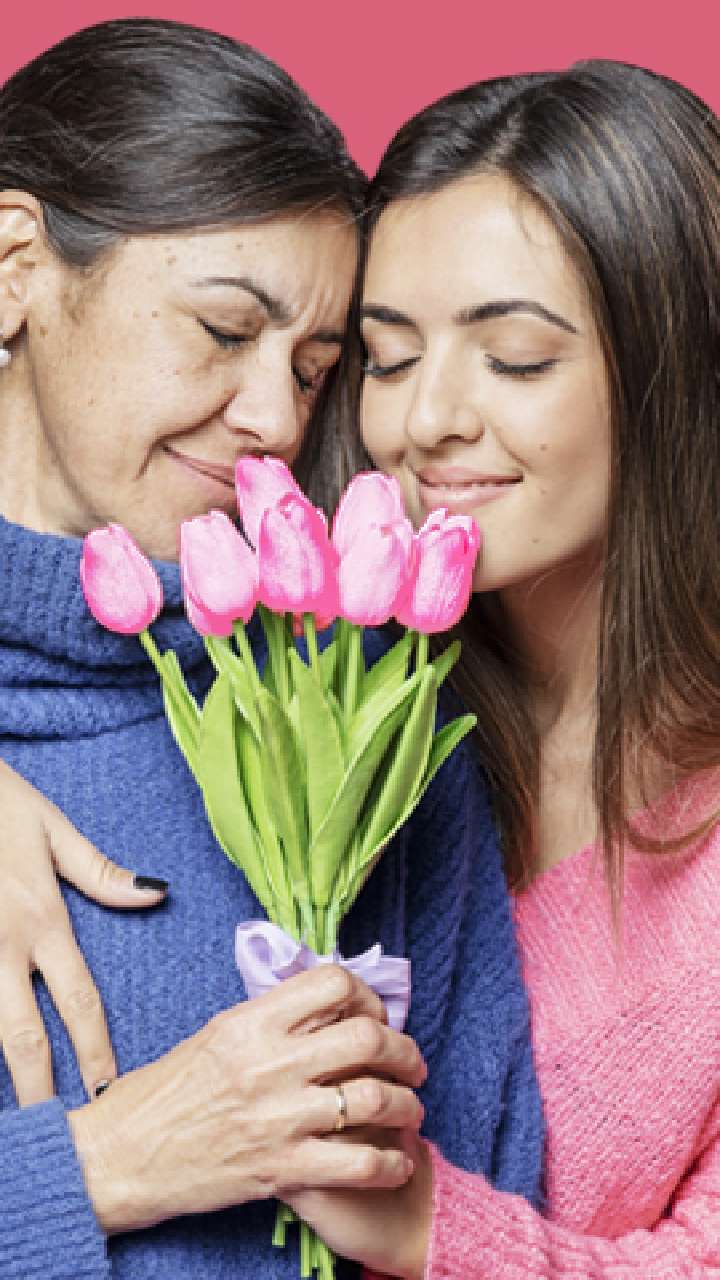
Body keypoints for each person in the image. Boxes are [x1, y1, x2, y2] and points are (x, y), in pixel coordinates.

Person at [0, 18, 543, 1280]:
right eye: (222, 327)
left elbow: (487, 1207)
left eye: (314, 367)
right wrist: (106, 1164)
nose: (274, 420)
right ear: (16, 265)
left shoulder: (363, 718)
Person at [275, 61, 720, 1278]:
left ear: (680, 370)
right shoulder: (322, 692)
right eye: (387, 357)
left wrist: (433, 1227)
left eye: (514, 358)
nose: (425, 422)